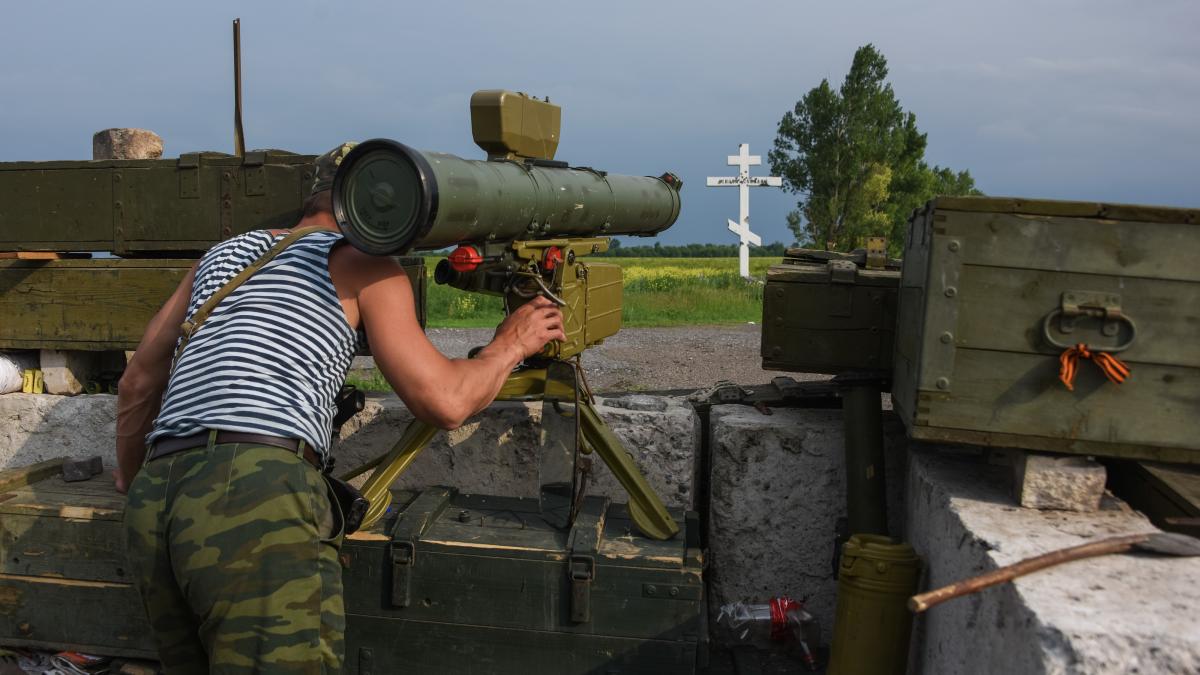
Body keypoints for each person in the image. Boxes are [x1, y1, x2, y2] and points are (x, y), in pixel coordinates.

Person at [117, 142, 565, 673]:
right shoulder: (363, 260)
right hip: (254, 496)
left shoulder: (224, 254)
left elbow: (139, 382)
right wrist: (511, 344)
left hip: (156, 497)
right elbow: (443, 401)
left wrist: (132, 484)